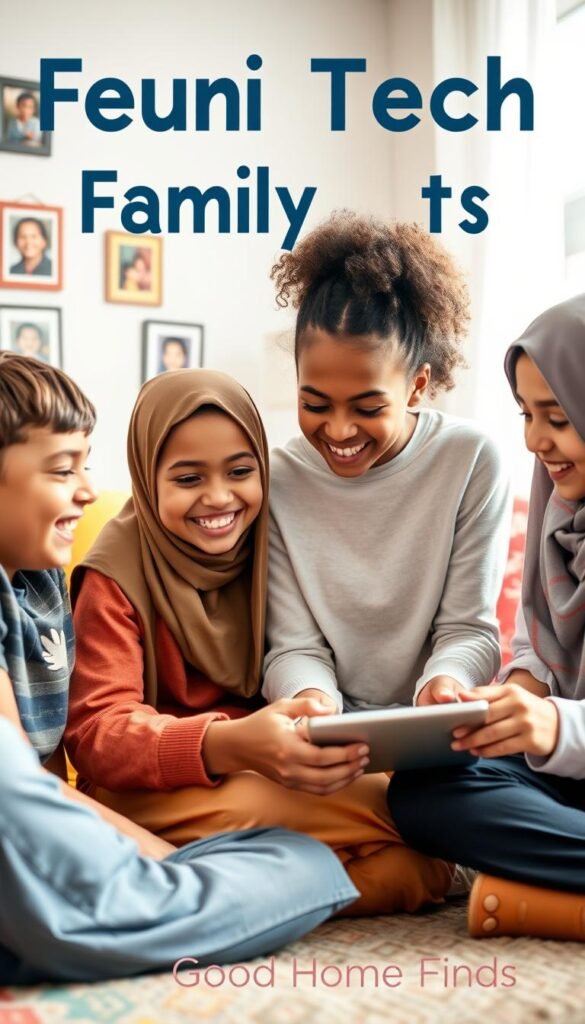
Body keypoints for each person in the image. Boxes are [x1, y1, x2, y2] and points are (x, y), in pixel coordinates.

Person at [0, 351, 358, 984]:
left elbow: (48, 786)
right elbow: (47, 780)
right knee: (320, 854)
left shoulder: (37, 587)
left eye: (86, 466)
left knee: (304, 856)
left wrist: (166, 872)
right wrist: (226, 750)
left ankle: (183, 906)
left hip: (66, 834)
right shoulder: (111, 574)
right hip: (109, 808)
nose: (88, 490)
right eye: (63, 470)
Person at [67, 367, 451, 917]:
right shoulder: (116, 572)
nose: (219, 498)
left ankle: (217, 890)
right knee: (413, 818)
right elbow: (97, 734)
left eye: (241, 471)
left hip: (274, 766)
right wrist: (230, 744)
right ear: (147, 478)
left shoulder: (275, 544)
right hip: (148, 788)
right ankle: (210, 886)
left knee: (412, 870)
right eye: (187, 479)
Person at [388, 293, 585, 942]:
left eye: (555, 417)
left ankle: (553, 902)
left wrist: (550, 723)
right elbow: (536, 648)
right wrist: (509, 700)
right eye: (526, 415)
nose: (534, 440)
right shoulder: (562, 517)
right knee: (425, 787)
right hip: (571, 777)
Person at [263, 211, 510, 717]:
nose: (338, 430)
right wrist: (311, 703)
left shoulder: (471, 461)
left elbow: (469, 630)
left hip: (432, 720)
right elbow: (293, 646)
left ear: (417, 386)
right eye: (314, 404)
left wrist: (443, 686)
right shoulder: (277, 479)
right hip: (325, 723)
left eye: (367, 408)